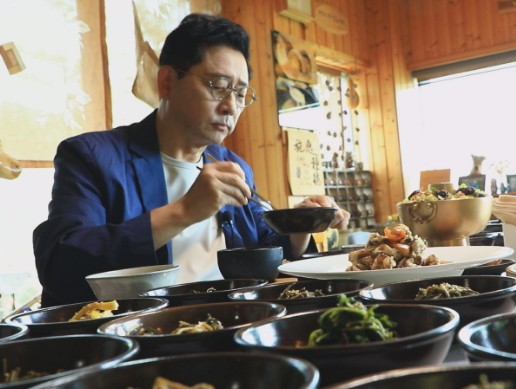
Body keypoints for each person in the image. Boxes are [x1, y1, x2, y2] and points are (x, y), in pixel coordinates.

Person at [33, 14, 350, 307]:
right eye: (219, 86)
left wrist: (299, 227)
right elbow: (61, 265)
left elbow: (259, 242)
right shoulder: (93, 156)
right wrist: (183, 212)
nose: (231, 106)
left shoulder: (229, 163)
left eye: (240, 93)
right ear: (167, 82)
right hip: (139, 337)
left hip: (230, 322)